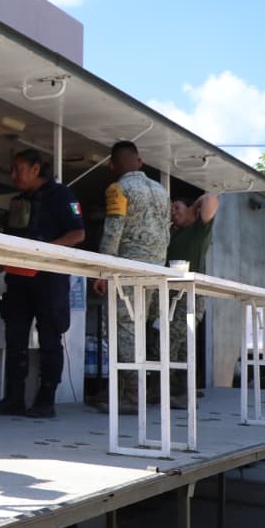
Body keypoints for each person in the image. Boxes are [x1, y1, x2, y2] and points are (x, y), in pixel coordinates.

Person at [0, 150, 86, 418]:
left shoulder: (61, 195)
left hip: (49, 279)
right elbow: (12, 245)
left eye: (18, 169)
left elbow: (77, 233)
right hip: (18, 280)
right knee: (15, 339)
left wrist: (42, 252)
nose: (13, 175)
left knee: (49, 338)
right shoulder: (18, 202)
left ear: (36, 169)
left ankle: (45, 401)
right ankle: (14, 398)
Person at [91, 140, 171, 405]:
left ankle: (132, 391)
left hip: (127, 269)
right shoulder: (161, 191)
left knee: (122, 327)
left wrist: (103, 270)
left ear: (112, 165)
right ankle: (128, 389)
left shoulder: (118, 189)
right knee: (139, 326)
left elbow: (113, 232)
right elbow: (167, 232)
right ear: (140, 161)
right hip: (156, 269)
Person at [166, 192, 220, 405]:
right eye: (171, 209)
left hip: (190, 296)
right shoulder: (172, 233)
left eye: (177, 207)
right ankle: (182, 391)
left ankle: (173, 390)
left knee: (172, 339)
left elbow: (211, 199)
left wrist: (193, 208)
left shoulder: (199, 230)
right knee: (180, 345)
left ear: (191, 211)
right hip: (171, 297)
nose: (173, 212)